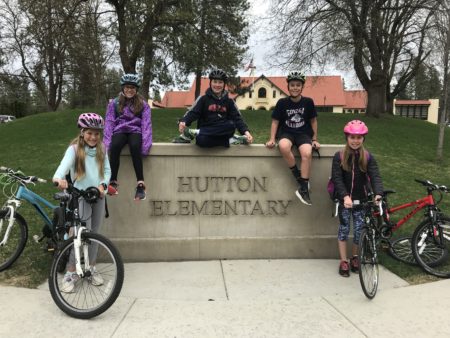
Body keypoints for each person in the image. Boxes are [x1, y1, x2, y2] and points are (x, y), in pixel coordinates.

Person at [53, 113, 111, 292]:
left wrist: (103, 186)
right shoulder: (74, 149)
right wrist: (58, 178)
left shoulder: (102, 148)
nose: (93, 137)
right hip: (80, 197)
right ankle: (71, 272)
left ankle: (91, 268)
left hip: (98, 196)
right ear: (82, 132)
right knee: (79, 236)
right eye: (89, 133)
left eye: (96, 133)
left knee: (94, 234)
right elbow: (62, 167)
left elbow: (107, 171)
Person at [331, 120, 384, 277]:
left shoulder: (368, 157)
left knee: (359, 230)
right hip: (345, 202)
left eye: (359, 138)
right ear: (347, 138)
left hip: (361, 202)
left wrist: (378, 193)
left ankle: (354, 257)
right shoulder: (339, 156)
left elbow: (375, 176)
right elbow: (337, 178)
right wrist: (344, 196)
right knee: (344, 229)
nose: (355, 141)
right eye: (352, 137)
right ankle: (343, 260)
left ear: (363, 139)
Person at [265, 71, 319, 206]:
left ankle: (304, 188)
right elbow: (275, 122)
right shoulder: (282, 103)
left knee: (307, 153)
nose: (295, 87)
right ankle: (298, 176)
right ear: (288, 87)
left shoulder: (308, 102)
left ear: (302, 87)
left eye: (298, 85)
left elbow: (313, 121)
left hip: (303, 134)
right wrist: (272, 138)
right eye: (292, 85)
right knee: (283, 146)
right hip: (287, 133)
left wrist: (314, 139)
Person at [173, 68, 253, 147]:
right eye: (215, 82)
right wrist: (184, 121)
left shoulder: (229, 102)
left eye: (220, 82)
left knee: (231, 125)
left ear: (224, 84)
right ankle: (232, 139)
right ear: (210, 83)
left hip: (223, 130)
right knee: (201, 141)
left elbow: (237, 119)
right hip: (206, 134)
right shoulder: (203, 99)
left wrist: (246, 132)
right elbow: (193, 113)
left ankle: (194, 132)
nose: (217, 85)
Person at [103, 73, 152, 201]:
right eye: (127, 87)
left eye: (132, 88)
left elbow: (146, 124)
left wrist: (146, 145)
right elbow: (109, 122)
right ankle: (113, 180)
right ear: (123, 88)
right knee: (115, 146)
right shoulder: (114, 103)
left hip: (135, 130)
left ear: (136, 89)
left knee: (136, 146)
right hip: (120, 129)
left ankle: (140, 183)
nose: (129, 90)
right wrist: (107, 142)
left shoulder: (143, 104)